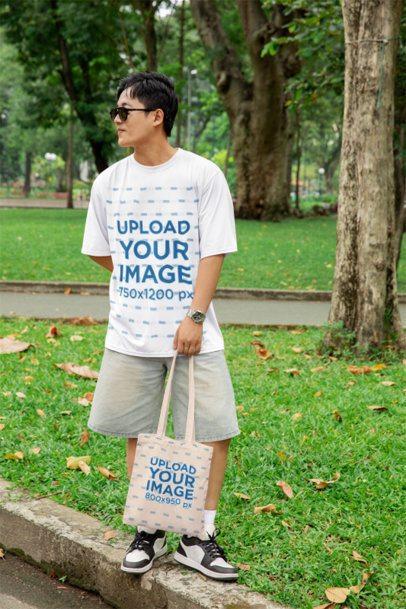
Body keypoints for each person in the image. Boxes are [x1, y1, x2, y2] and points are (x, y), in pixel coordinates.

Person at [81, 71, 240, 581]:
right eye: (116, 111)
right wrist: (141, 285)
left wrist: (193, 313)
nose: (117, 121)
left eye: (124, 111)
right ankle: (149, 529)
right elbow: (104, 253)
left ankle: (199, 535)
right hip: (129, 331)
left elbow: (213, 249)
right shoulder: (109, 182)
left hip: (195, 333)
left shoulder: (201, 175)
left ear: (156, 117)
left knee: (211, 431)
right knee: (139, 431)